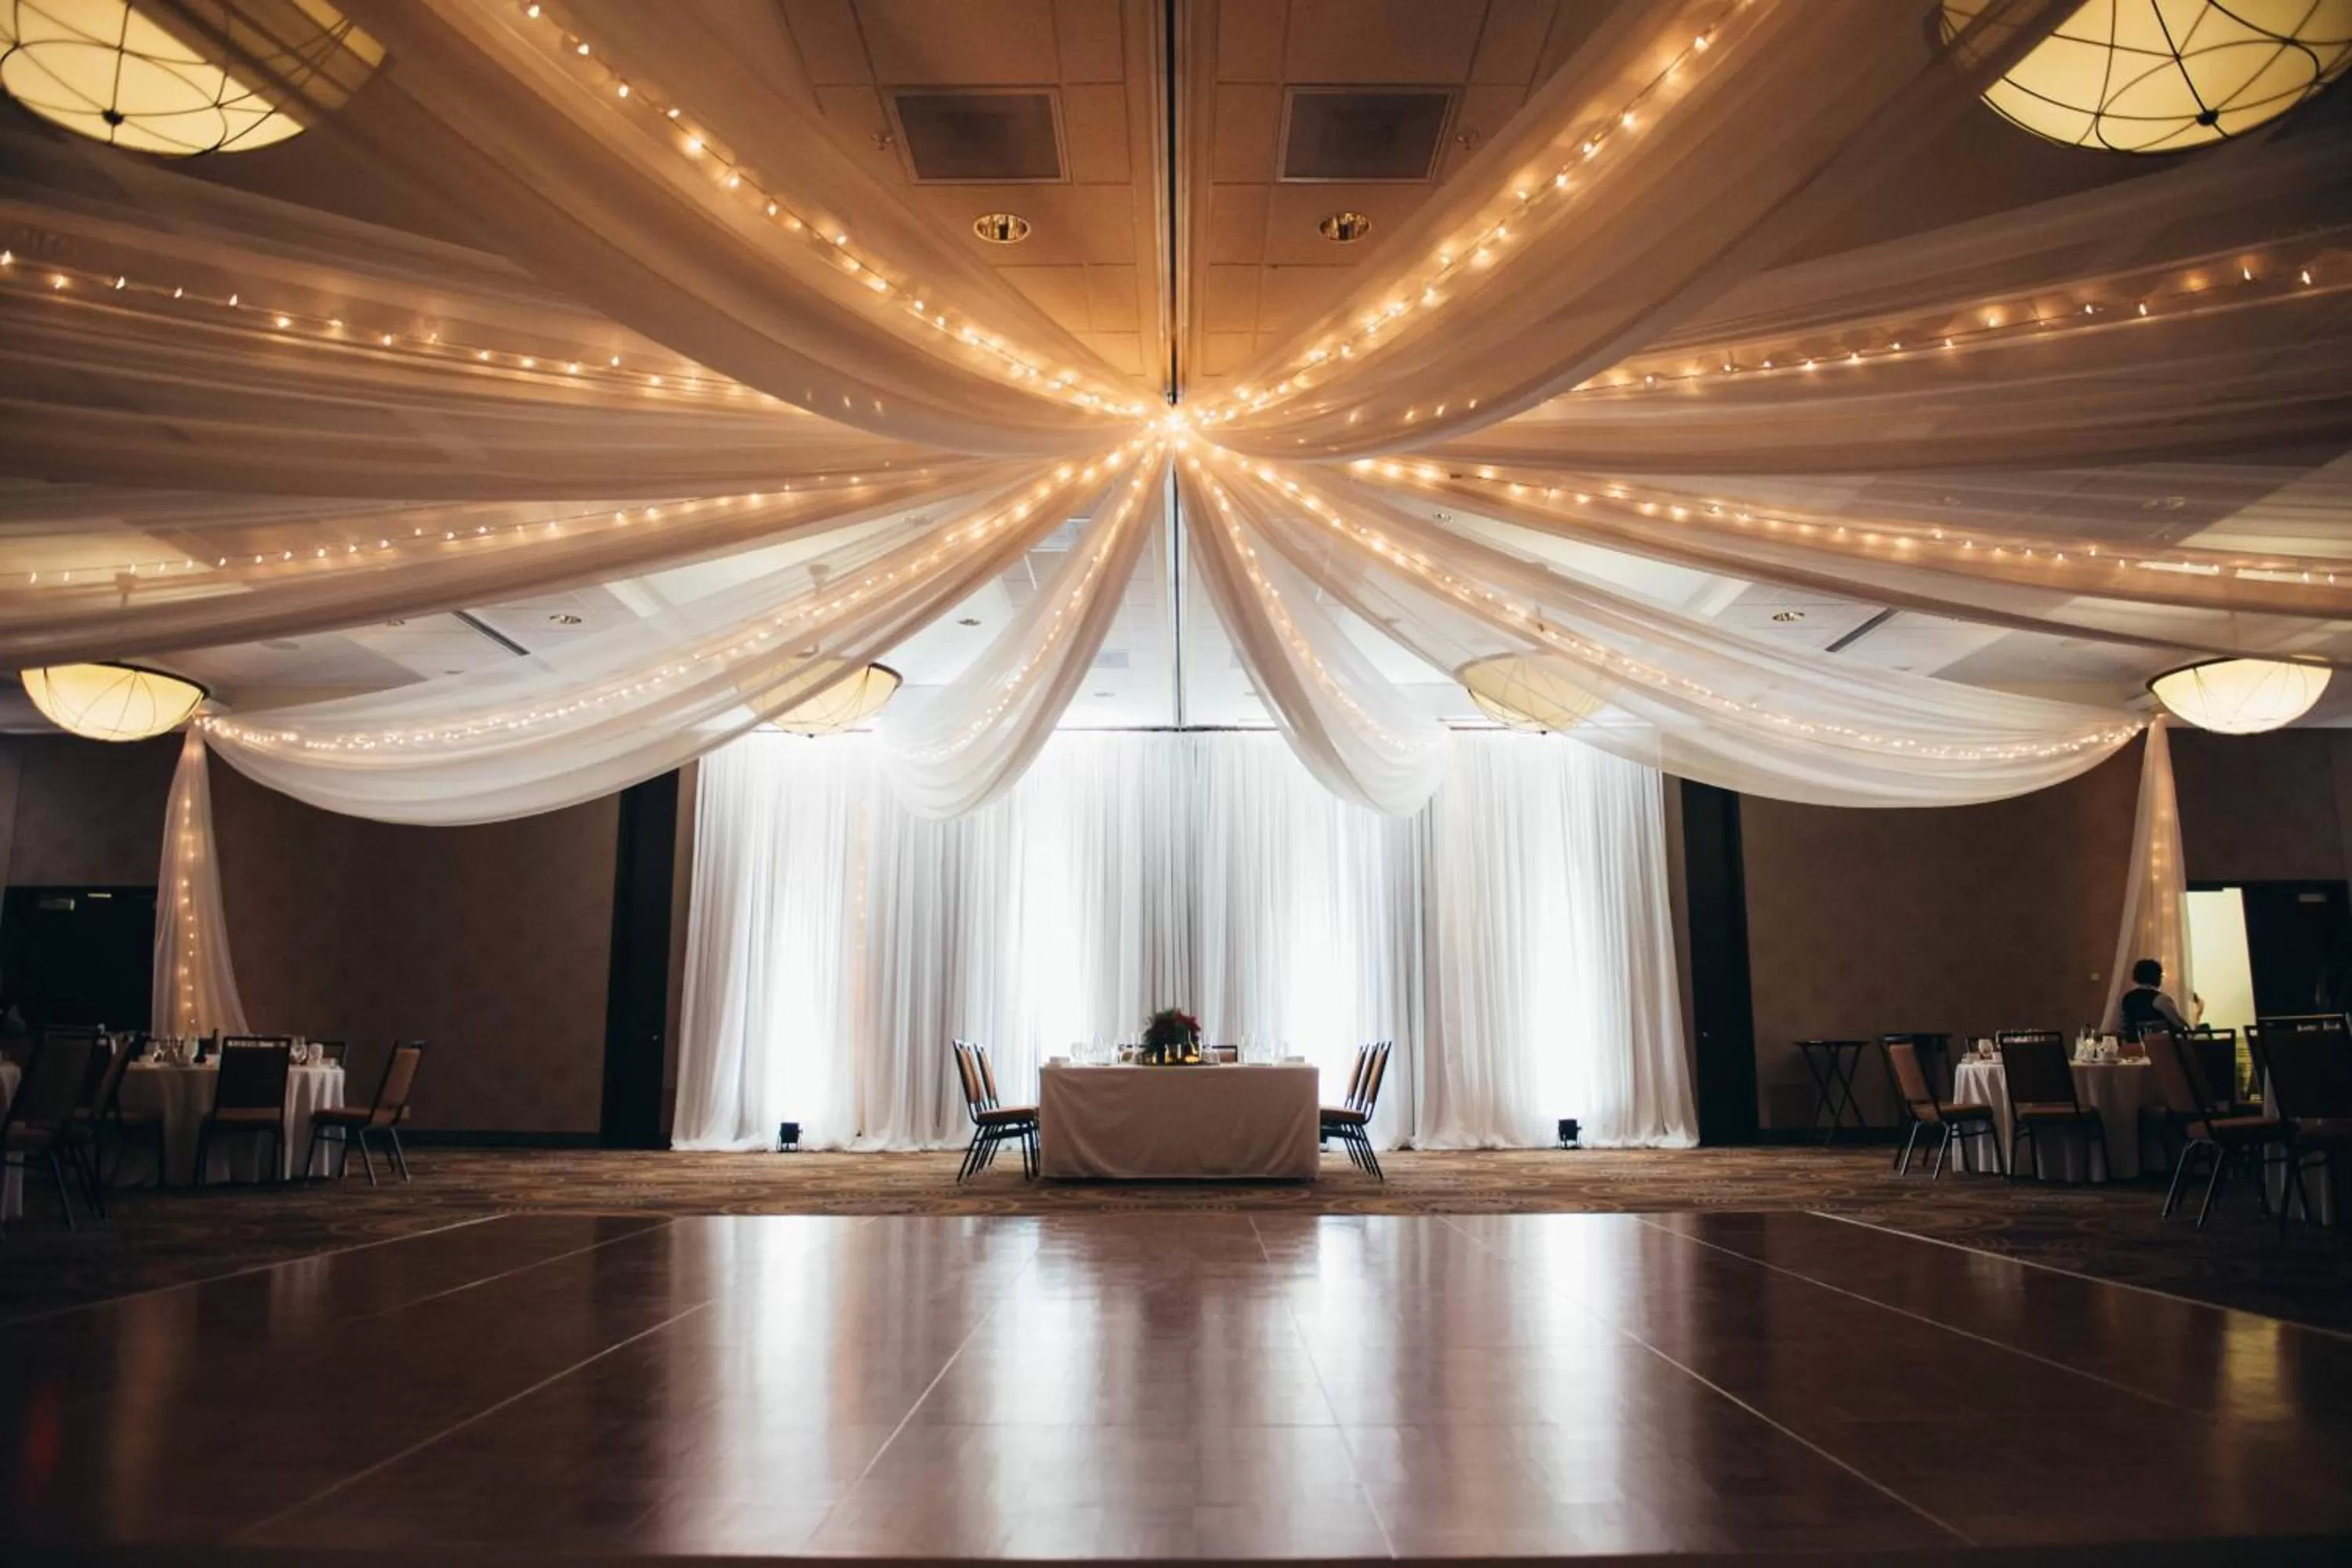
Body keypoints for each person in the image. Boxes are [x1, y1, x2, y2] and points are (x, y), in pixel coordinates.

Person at [2118, 957, 2190, 1040]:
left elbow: (2122, 1025)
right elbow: (2178, 1024)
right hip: (2157, 1047)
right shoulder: (2161, 999)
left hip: (2132, 1045)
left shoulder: (2128, 998)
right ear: (2157, 976)